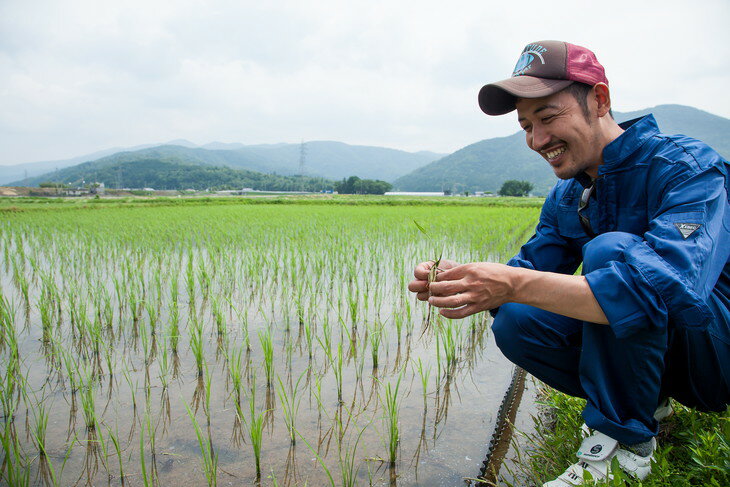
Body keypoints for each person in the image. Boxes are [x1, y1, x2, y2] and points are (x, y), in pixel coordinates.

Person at [408, 40, 729, 486]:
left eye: (548, 117)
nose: (537, 141)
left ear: (600, 100)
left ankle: (621, 449)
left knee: (611, 252)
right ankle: (647, 408)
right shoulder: (568, 196)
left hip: (714, 351)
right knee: (516, 319)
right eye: (525, 125)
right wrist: (465, 280)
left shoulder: (686, 169)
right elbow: (526, 272)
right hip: (659, 349)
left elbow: (661, 290)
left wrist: (512, 283)